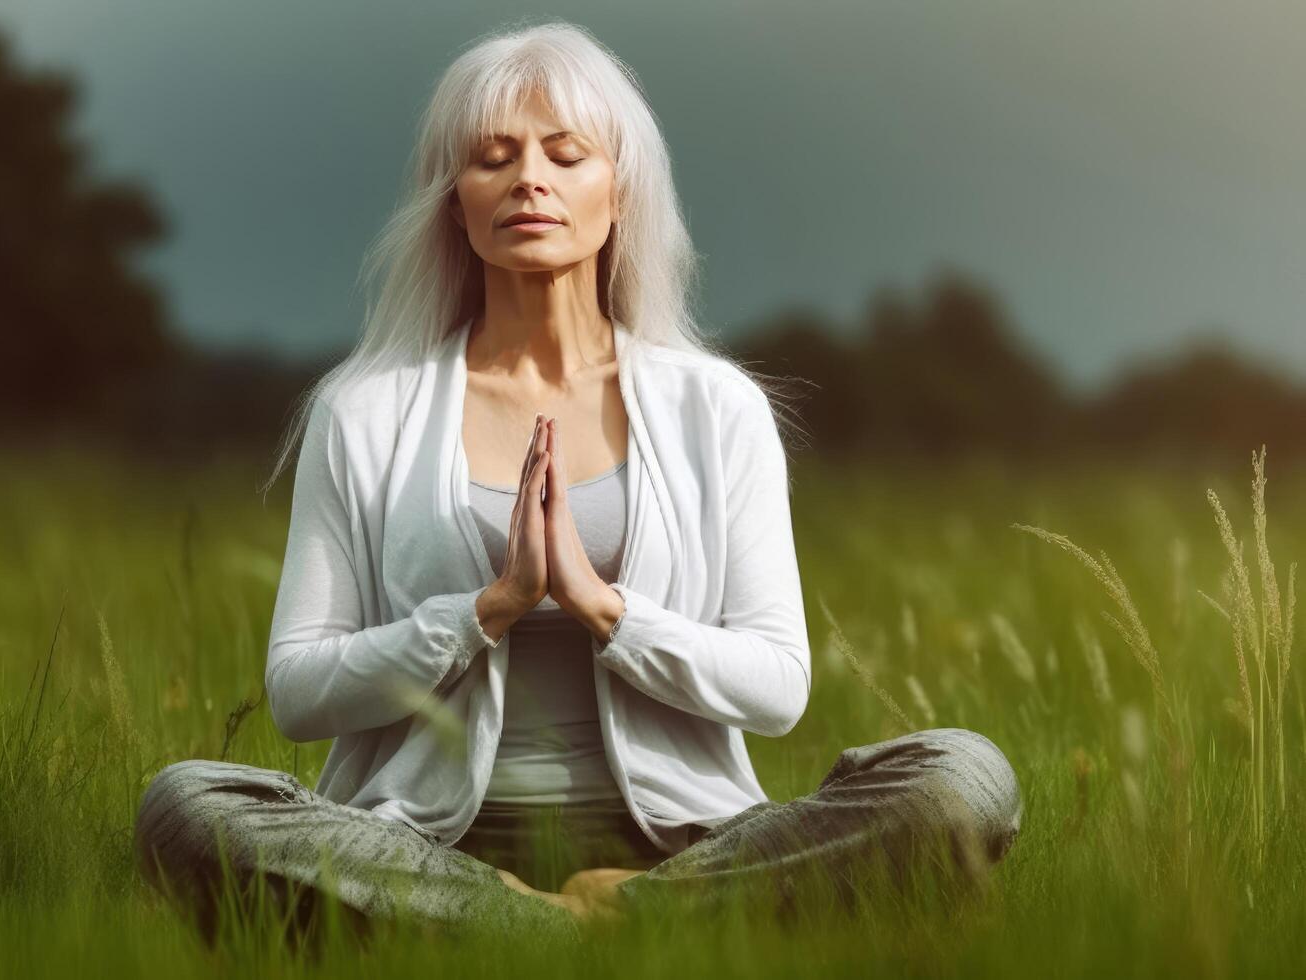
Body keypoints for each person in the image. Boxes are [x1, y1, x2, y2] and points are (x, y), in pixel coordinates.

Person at [132, 19, 1023, 947]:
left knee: (962, 778)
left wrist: (606, 610)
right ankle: (533, 918)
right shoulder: (364, 412)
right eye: (493, 158)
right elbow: (298, 691)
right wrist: (485, 609)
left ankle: (602, 913)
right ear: (454, 202)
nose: (529, 179)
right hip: (422, 844)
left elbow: (777, 685)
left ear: (619, 194)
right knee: (185, 805)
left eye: (565, 155)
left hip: (688, 842)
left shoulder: (717, 408)